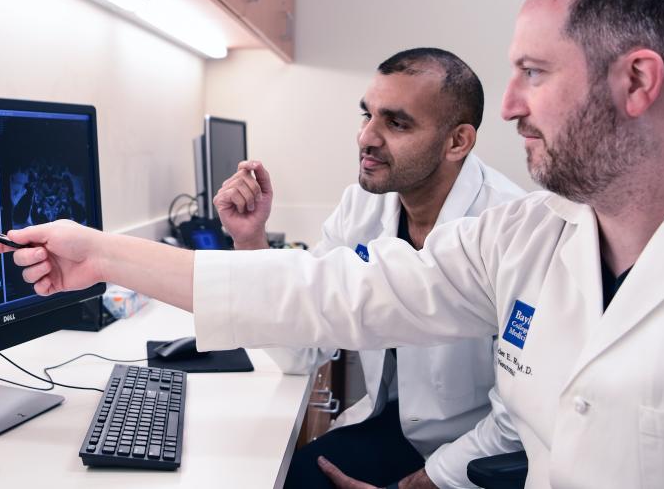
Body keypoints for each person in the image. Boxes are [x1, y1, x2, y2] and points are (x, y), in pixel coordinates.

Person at [0, 0, 664, 486]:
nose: (508, 106)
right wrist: (100, 254)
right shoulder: (537, 234)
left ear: (637, 81)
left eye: (534, 73)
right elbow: (329, 291)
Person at [212, 48, 526, 489]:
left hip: (472, 449)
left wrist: (419, 484)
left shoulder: (512, 229)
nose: (366, 137)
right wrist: (250, 242)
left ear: (458, 142)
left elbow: (518, 417)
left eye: (396, 123)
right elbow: (303, 348)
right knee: (286, 478)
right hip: (390, 423)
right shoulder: (362, 205)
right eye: (368, 115)